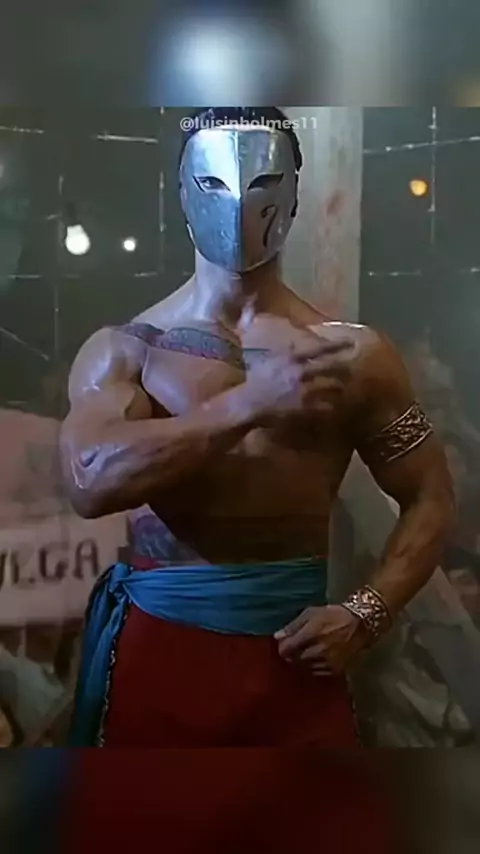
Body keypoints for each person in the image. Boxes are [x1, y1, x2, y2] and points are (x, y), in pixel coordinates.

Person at [60, 107, 454, 751]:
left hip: (294, 650)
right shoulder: (131, 349)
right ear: (183, 192)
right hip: (163, 646)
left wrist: (365, 614)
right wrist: (250, 403)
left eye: (264, 183)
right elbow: (89, 481)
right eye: (214, 182)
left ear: (292, 197)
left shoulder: (352, 354)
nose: (239, 202)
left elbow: (431, 495)